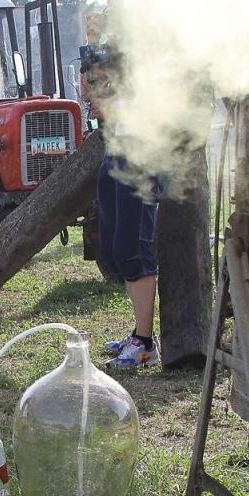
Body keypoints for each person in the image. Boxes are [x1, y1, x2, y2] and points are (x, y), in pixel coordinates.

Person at [82, 43, 160, 370]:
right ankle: (138, 335)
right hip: (116, 152)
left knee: (134, 249)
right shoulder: (111, 45)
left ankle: (144, 344)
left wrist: (111, 109)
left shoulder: (151, 52)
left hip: (139, 156)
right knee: (117, 247)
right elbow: (88, 86)